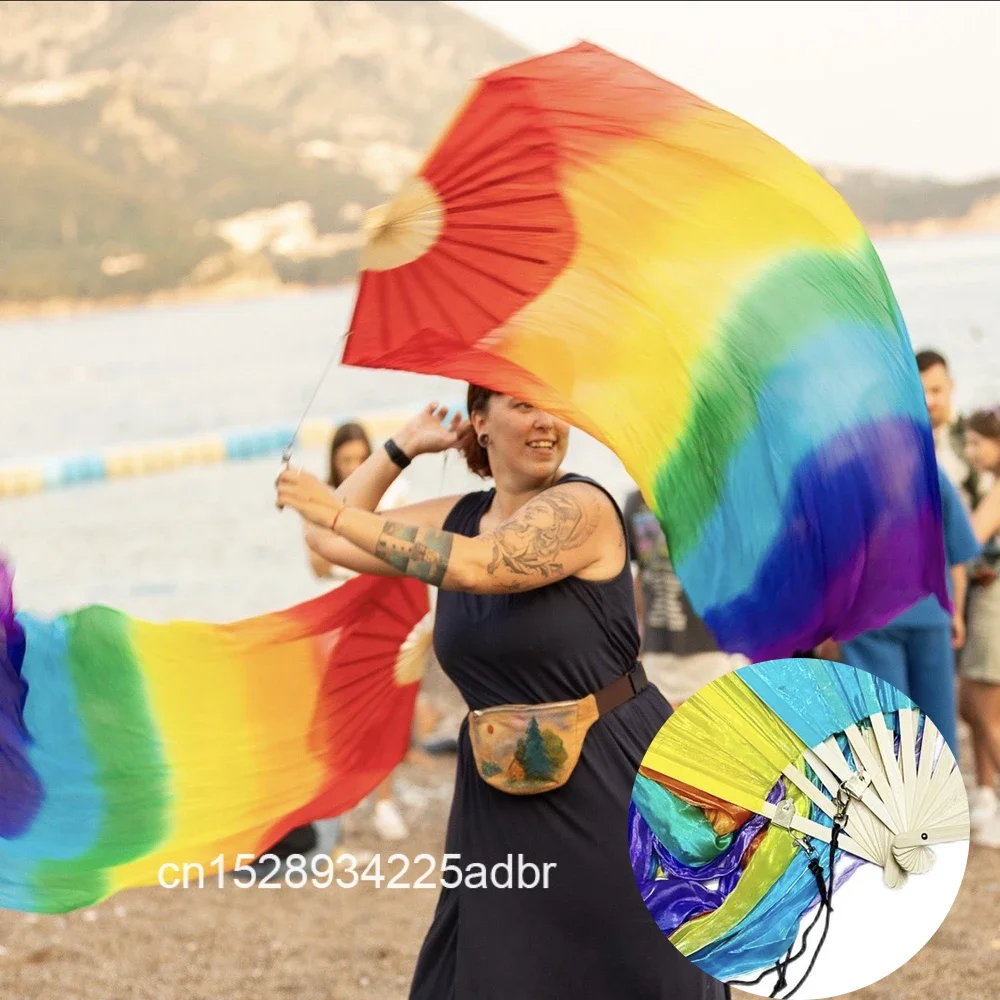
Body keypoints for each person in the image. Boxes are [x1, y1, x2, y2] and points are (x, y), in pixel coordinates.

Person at [276, 395, 726, 1000]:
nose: (547, 420)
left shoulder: (583, 507)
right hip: (499, 799)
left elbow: (477, 567)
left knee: (630, 972)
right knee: (489, 975)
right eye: (523, 404)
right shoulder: (463, 514)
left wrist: (333, 513)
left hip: (612, 781)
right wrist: (401, 447)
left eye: (556, 405)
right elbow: (325, 545)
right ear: (481, 421)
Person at [840, 466, 980, 757]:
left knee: (884, 728)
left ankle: (890, 800)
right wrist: (955, 611)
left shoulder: (846, 475)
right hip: (929, 612)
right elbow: (958, 552)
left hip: (869, 618)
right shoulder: (932, 473)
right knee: (937, 724)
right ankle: (942, 799)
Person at [624, 488, 747, 705]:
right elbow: (640, 574)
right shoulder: (636, 501)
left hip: (712, 653)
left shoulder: (715, 492)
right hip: (657, 657)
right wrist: (637, 642)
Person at [959, 407, 1000, 845]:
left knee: (986, 713)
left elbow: (970, 538)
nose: (970, 451)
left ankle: (992, 798)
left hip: (993, 608)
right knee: (974, 707)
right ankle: (987, 795)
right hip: (986, 602)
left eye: (976, 442)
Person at [916, 350, 989, 509]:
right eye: (921, 393)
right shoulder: (908, 443)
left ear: (951, 385)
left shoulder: (974, 434)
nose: (929, 401)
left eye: (935, 390)